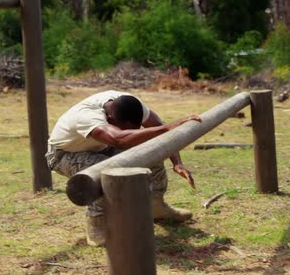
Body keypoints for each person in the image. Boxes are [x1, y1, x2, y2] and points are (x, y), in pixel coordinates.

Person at [46, 90, 201, 247]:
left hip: (102, 146)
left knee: (150, 149)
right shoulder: (88, 116)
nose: (134, 131)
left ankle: (156, 206)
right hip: (64, 154)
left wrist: (177, 163)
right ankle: (97, 225)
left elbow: (160, 133)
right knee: (102, 170)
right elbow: (119, 139)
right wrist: (168, 128)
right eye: (127, 129)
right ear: (110, 119)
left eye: (136, 127)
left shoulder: (132, 104)